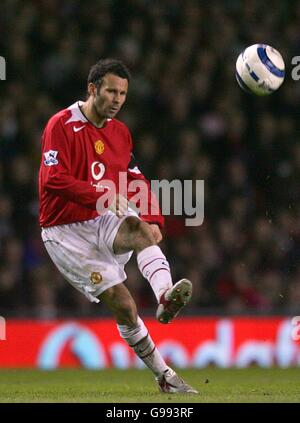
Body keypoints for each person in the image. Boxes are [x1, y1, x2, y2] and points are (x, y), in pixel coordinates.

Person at [39, 58, 197, 394]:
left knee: (142, 230)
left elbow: (135, 178)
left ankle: (166, 297)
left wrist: (155, 219)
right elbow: (53, 180)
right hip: (65, 232)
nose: (117, 99)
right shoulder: (61, 124)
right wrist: (98, 193)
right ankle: (164, 375)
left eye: (123, 93)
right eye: (111, 91)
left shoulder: (120, 132)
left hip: (99, 217)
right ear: (92, 89)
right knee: (124, 305)